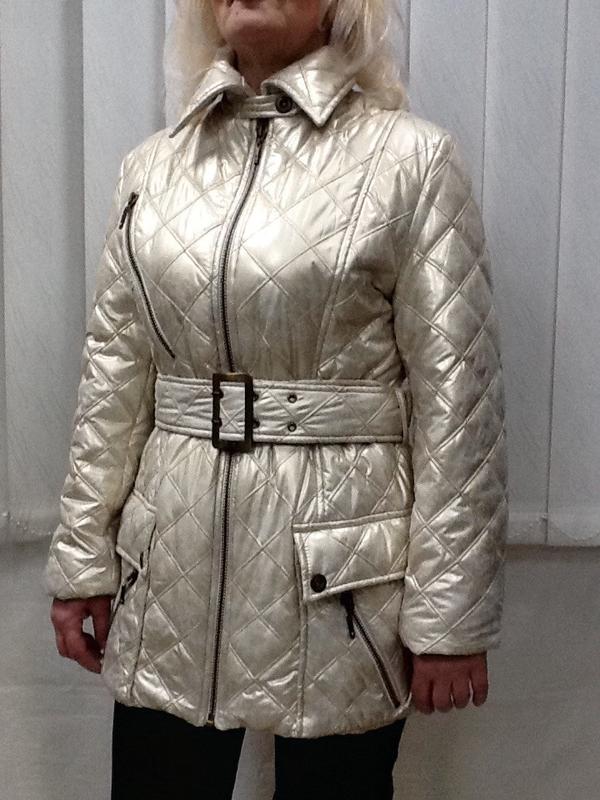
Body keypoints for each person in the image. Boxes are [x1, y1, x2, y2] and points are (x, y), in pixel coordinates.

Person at [44, 0, 509, 797]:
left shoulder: (410, 161)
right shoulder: (153, 168)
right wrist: (82, 555)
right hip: (170, 563)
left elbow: (459, 401)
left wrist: (451, 614)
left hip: (338, 580)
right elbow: (115, 374)